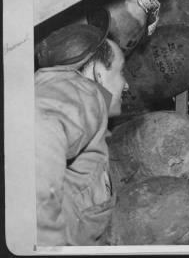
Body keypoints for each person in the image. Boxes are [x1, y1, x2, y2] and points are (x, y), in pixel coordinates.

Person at [35, 21, 129, 245]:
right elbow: (39, 130)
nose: (126, 85)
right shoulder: (86, 93)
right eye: (121, 71)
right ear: (98, 74)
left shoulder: (86, 110)